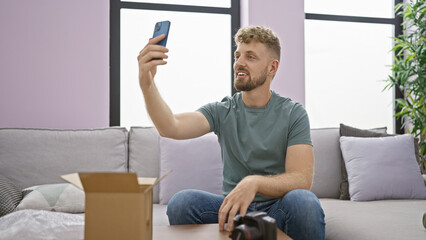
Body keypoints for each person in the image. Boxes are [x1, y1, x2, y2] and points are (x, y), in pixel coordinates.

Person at [137, 25, 325, 240]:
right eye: (238, 55)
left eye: (250, 57)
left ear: (272, 68)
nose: (239, 63)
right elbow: (170, 126)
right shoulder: (223, 110)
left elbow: (301, 179)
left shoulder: (293, 113)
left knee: (305, 202)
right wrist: (146, 82)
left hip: (277, 209)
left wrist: (253, 183)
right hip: (234, 210)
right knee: (183, 202)